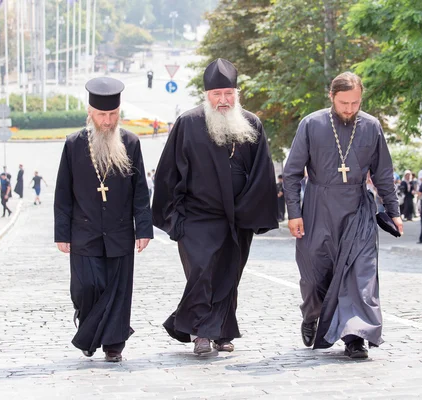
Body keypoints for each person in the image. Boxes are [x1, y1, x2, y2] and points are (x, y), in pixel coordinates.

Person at [152, 58, 278, 356]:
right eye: (216, 95)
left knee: (229, 275)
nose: (223, 100)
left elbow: (262, 172)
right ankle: (201, 334)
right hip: (196, 218)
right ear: (206, 96)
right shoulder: (189, 123)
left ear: (237, 93)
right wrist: (174, 219)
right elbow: (168, 174)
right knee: (202, 273)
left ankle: (221, 333)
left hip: (237, 217)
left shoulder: (251, 124)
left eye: (228, 94)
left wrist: (250, 213)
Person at [282, 71, 403, 359]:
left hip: (358, 210)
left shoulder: (372, 127)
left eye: (355, 103)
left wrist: (394, 210)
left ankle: (355, 336)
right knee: (313, 276)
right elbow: (292, 172)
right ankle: (313, 315)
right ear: (331, 97)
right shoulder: (311, 124)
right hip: (317, 207)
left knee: (360, 276)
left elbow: (383, 173)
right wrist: (294, 213)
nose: (349, 109)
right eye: (343, 103)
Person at [54, 77, 153, 362]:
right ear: (90, 113)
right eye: (102, 115)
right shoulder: (74, 145)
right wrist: (62, 234)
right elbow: (62, 192)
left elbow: (139, 191)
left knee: (119, 290)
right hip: (83, 231)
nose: (107, 121)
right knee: (87, 287)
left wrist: (143, 228)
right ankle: (89, 326)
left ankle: (113, 344)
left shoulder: (131, 143)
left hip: (120, 231)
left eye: (112, 115)